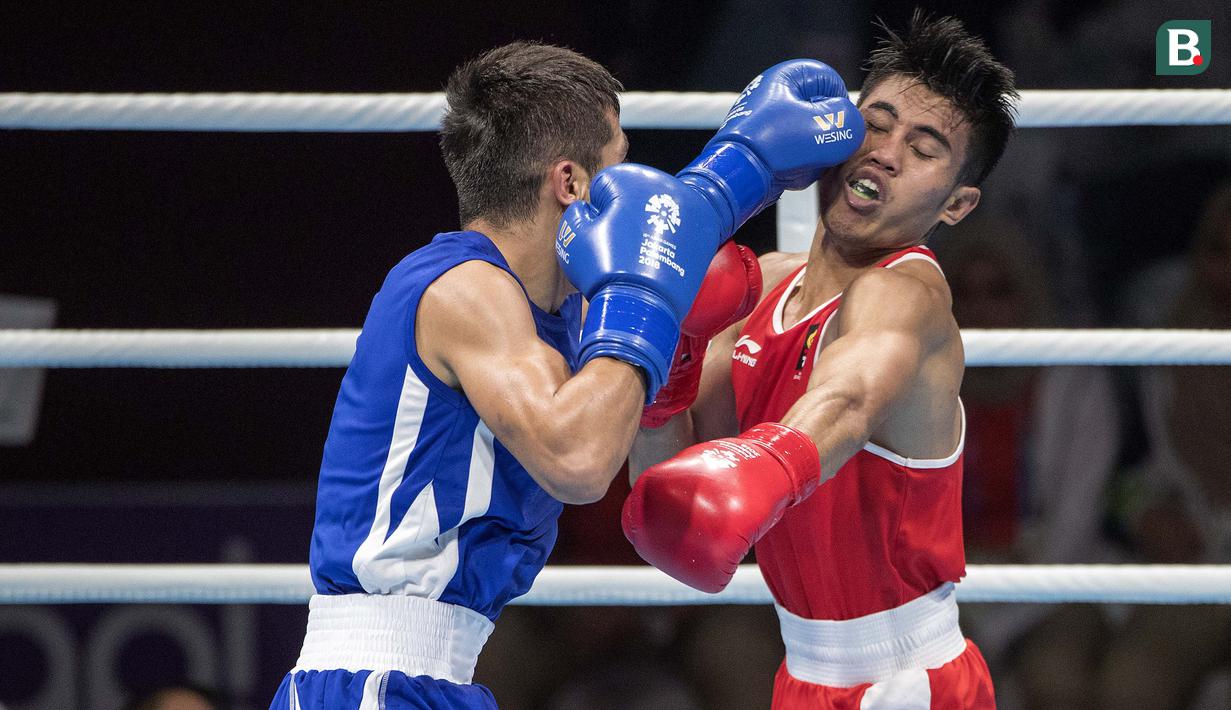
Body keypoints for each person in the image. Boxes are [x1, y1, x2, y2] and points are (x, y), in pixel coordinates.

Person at [270, 41, 862, 709]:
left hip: (436, 674)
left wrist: (738, 177)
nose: (628, 181)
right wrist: (646, 294)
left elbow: (651, 463)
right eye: (618, 160)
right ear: (571, 183)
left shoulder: (564, 315)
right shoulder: (465, 289)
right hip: (373, 677)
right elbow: (579, 462)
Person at [625, 12, 1018, 708]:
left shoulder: (907, 296)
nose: (886, 154)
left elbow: (847, 400)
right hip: (803, 672)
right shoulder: (762, 288)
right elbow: (666, 496)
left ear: (957, 204)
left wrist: (766, 465)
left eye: (922, 149)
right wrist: (669, 367)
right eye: (877, 125)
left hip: (908, 680)